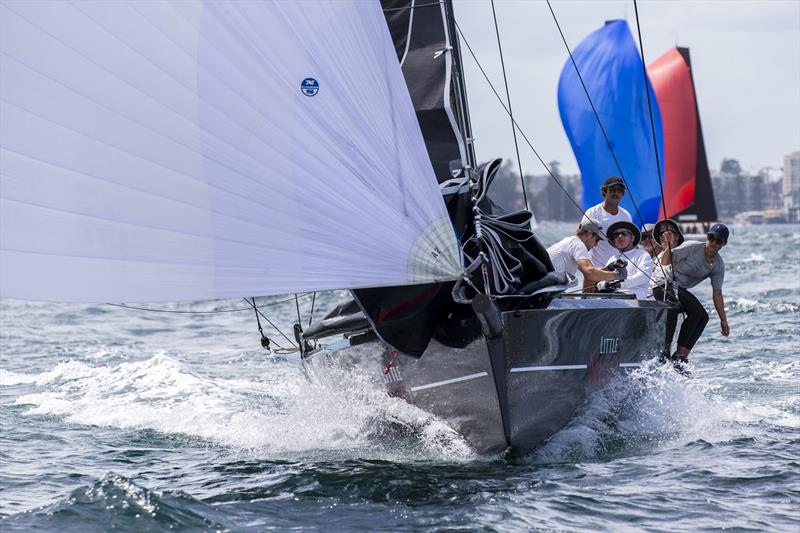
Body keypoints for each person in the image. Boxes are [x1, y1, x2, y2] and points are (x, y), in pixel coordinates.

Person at [651, 221, 731, 367]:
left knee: (702, 316)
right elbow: (664, 261)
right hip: (662, 283)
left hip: (679, 289)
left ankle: (680, 355)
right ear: (707, 237)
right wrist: (668, 245)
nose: (713, 242)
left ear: (723, 244)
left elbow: (717, 293)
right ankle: (664, 351)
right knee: (673, 307)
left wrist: (723, 320)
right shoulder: (693, 247)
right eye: (711, 238)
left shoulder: (718, 265)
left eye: (718, 240)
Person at [547, 218, 627, 287]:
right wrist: (617, 275)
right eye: (597, 240)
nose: (596, 245)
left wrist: (610, 268)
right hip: (546, 289)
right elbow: (590, 274)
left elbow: (592, 271)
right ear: (589, 234)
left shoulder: (570, 241)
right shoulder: (579, 245)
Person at [584, 176, 633, 268]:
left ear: (623, 193)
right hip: (596, 267)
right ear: (604, 191)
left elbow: (629, 243)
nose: (616, 193)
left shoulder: (626, 215)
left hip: (618, 267)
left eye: (619, 190)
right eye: (612, 189)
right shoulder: (592, 213)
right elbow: (583, 240)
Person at [599, 221, 653, 299]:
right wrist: (604, 284)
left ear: (632, 238)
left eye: (625, 233)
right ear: (614, 240)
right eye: (616, 235)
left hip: (636, 298)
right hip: (612, 297)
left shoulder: (642, 254)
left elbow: (643, 276)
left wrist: (620, 284)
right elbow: (603, 278)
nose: (620, 236)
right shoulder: (613, 258)